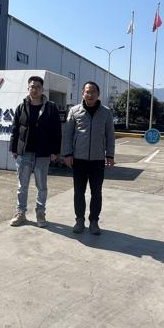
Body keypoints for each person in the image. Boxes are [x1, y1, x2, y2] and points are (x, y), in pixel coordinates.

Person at [62, 81, 116, 235]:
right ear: (82, 93)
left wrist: (110, 154)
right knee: (79, 192)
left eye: (93, 92)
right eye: (87, 91)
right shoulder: (74, 111)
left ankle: (94, 221)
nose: (90, 94)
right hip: (78, 160)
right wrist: (67, 154)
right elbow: (68, 135)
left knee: (96, 192)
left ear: (98, 94)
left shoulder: (106, 112)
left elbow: (110, 135)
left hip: (98, 160)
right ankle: (79, 220)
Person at [9, 75, 62, 227]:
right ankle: (20, 213)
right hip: (24, 153)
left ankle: (40, 213)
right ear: (28, 88)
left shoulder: (51, 108)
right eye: (32, 86)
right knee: (22, 186)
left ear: (42, 89)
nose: (35, 89)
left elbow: (56, 131)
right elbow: (15, 129)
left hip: (43, 153)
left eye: (38, 87)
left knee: (42, 186)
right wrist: (13, 149)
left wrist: (55, 151)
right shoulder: (21, 107)